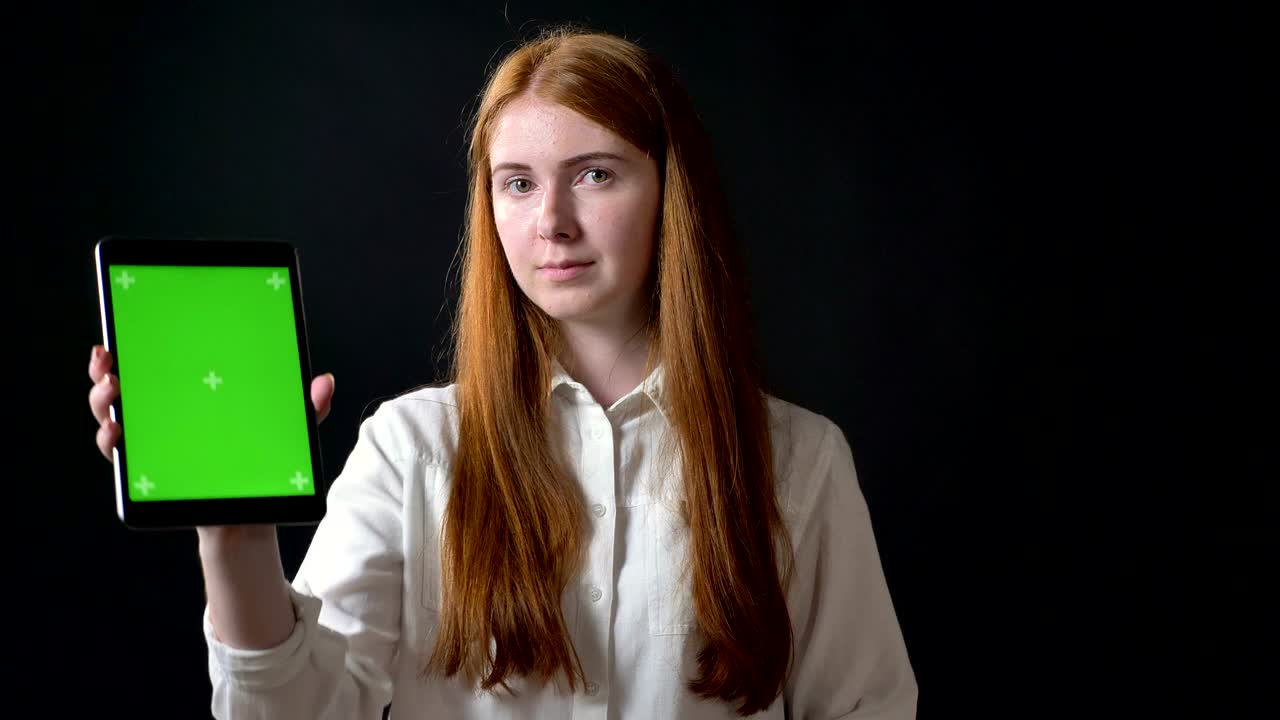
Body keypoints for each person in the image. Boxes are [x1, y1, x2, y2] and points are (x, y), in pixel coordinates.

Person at [87, 25, 917, 719]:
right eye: (517, 184)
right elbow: (291, 709)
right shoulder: (410, 448)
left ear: (672, 191)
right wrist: (235, 534)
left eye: (594, 174)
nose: (550, 222)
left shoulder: (799, 461)